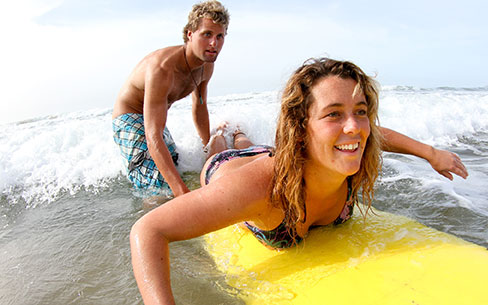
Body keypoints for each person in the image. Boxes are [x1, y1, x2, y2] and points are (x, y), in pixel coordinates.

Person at [130, 58, 468, 304]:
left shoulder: (350, 153)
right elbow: (148, 231)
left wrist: (430, 153)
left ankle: (239, 134)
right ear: (301, 127)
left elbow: (377, 134)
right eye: (333, 113)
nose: (354, 127)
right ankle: (221, 135)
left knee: (251, 146)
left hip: (274, 154)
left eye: (360, 111)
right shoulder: (260, 190)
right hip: (229, 170)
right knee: (219, 152)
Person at [112, 1, 229, 197]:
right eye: (207, 34)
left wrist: (207, 147)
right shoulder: (162, 69)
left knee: (176, 167)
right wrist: (183, 195)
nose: (213, 44)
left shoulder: (206, 65)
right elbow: (153, 136)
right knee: (158, 187)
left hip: (153, 118)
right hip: (130, 118)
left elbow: (199, 106)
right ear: (190, 34)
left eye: (220, 36)